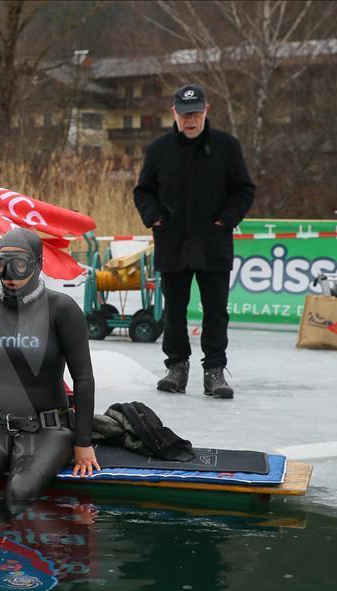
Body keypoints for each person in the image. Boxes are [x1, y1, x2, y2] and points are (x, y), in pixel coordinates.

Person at [0, 228, 99, 508]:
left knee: (20, 493)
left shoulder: (62, 309)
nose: (10, 276)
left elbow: (83, 377)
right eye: (2, 266)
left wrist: (83, 442)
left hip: (49, 428)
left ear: (38, 265)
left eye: (20, 266)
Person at [133, 84, 255, 399]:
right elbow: (143, 191)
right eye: (185, 114)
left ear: (206, 112)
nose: (191, 120)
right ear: (174, 113)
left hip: (212, 243)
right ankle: (177, 367)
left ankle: (214, 370)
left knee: (216, 310)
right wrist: (155, 217)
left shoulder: (227, 147)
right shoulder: (158, 150)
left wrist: (225, 220)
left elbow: (244, 189)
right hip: (172, 242)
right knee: (174, 309)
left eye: (196, 114)